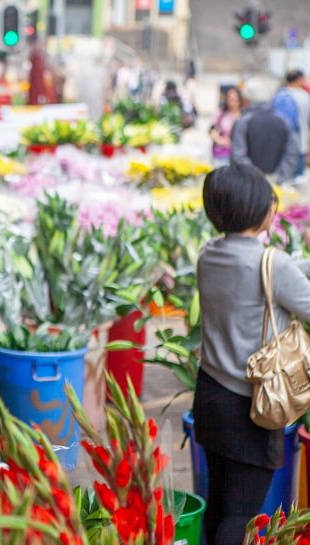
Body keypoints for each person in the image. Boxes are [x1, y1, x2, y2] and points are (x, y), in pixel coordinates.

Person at [195, 163, 310, 545]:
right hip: (253, 405)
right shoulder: (271, 263)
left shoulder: (209, 254)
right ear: (256, 210)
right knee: (242, 514)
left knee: (219, 502)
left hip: (211, 396)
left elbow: (278, 272)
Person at [231, 82, 299, 184]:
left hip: (250, 184)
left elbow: (238, 155)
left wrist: (257, 178)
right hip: (277, 181)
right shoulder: (284, 121)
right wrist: (280, 177)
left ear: (247, 99)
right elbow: (292, 152)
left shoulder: (243, 122)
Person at [273, 69, 310, 176]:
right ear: (299, 79)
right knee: (296, 183)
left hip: (280, 146)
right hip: (300, 145)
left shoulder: (278, 95)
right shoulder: (305, 96)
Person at [210, 86, 243, 165]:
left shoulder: (244, 116)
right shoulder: (220, 114)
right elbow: (213, 131)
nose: (232, 102)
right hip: (222, 155)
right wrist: (221, 141)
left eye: (235, 99)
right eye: (230, 99)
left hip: (239, 156)